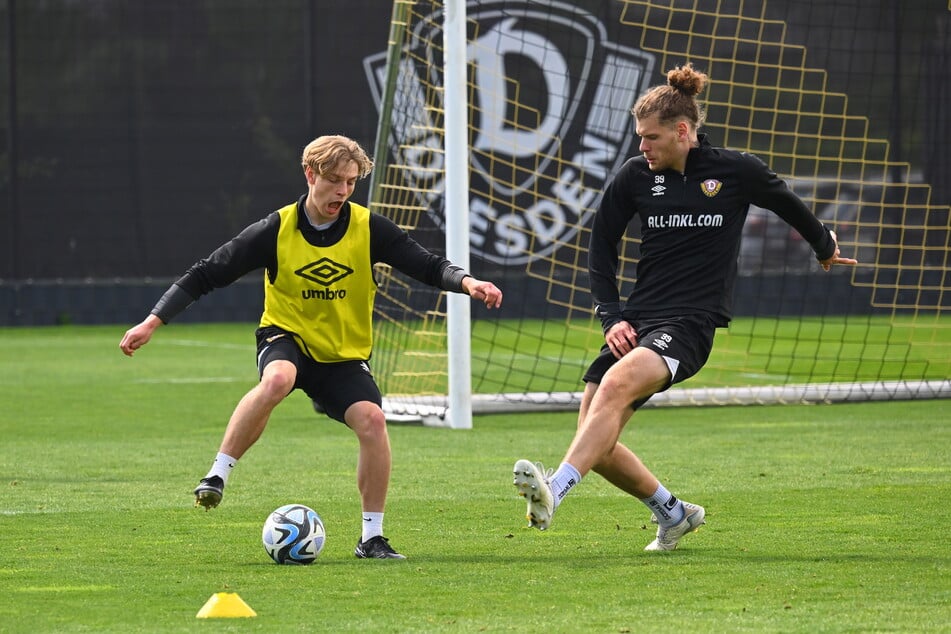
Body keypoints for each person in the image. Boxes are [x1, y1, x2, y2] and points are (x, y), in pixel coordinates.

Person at [511, 64, 856, 551]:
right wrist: (613, 316)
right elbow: (601, 244)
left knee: (612, 390)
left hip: (691, 323)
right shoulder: (635, 177)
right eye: (639, 137)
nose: (641, 147)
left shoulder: (735, 170)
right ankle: (674, 515)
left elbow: (788, 203)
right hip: (639, 319)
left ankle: (556, 492)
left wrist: (824, 247)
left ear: (681, 131)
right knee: (595, 440)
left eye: (650, 137)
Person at [120, 134, 503, 560]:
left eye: (351, 182)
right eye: (335, 180)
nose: (342, 191)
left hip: (341, 356)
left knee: (374, 421)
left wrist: (468, 282)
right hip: (286, 338)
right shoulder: (276, 229)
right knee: (279, 378)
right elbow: (206, 273)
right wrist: (153, 321)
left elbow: (427, 264)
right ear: (310, 174)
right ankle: (217, 475)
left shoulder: (368, 228)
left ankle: (371, 537)